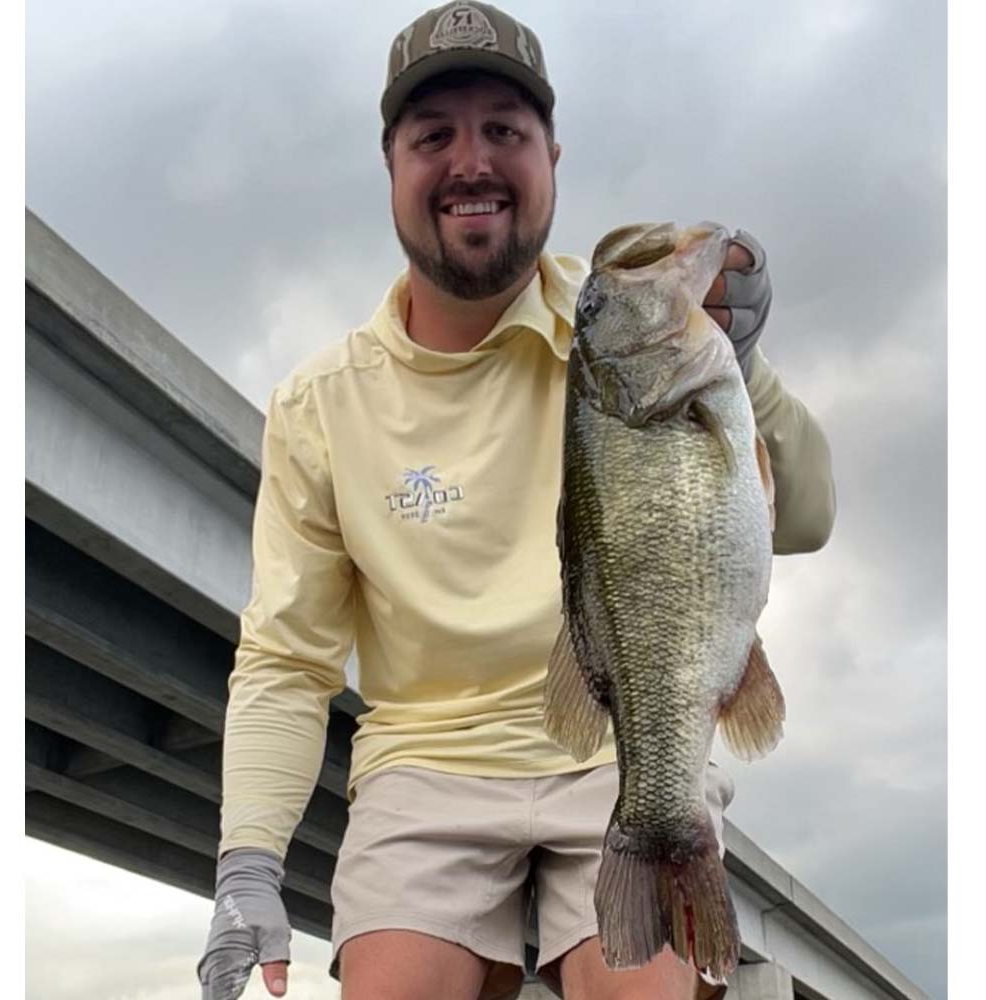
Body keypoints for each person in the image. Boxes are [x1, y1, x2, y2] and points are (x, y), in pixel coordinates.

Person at [196, 3, 836, 999]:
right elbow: (286, 659)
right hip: (424, 760)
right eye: (433, 135)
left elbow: (802, 519)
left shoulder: (623, 317)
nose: (471, 160)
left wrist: (745, 370)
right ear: (391, 166)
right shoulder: (317, 405)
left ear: (551, 156)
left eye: (505, 128)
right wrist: (247, 860)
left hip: (626, 742)